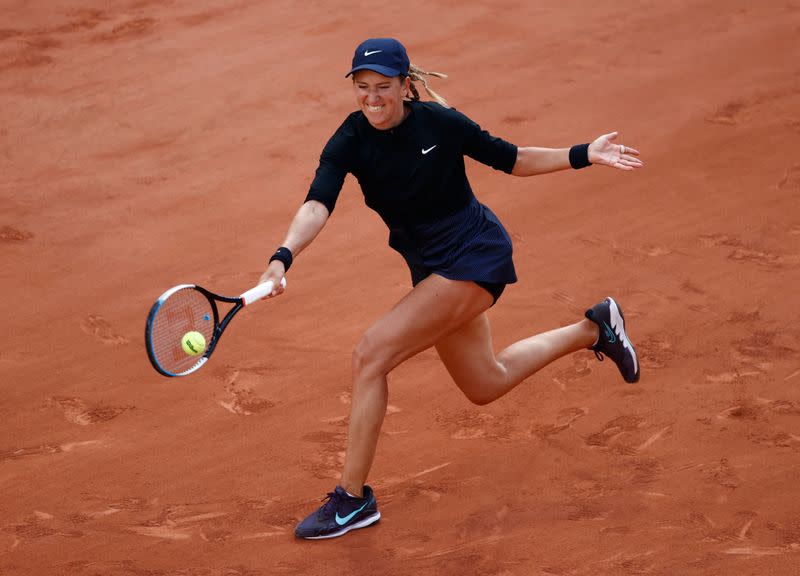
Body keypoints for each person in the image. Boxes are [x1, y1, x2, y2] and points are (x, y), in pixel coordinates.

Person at [258, 38, 643, 540]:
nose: (372, 98)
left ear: (405, 85)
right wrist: (282, 256)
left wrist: (582, 154)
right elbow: (317, 203)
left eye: (382, 88)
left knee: (371, 354)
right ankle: (594, 329)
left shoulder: (441, 123)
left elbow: (511, 158)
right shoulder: (349, 139)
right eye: (362, 88)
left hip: (474, 256)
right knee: (486, 382)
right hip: (432, 269)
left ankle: (352, 499)